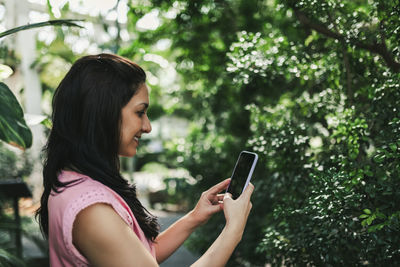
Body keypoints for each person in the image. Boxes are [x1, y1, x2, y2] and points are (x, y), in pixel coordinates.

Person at [36, 53, 254, 267]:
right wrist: (234, 230)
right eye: (140, 112)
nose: (147, 127)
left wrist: (194, 218)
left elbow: (137, 256)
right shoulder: (93, 211)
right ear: (103, 113)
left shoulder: (73, 179)